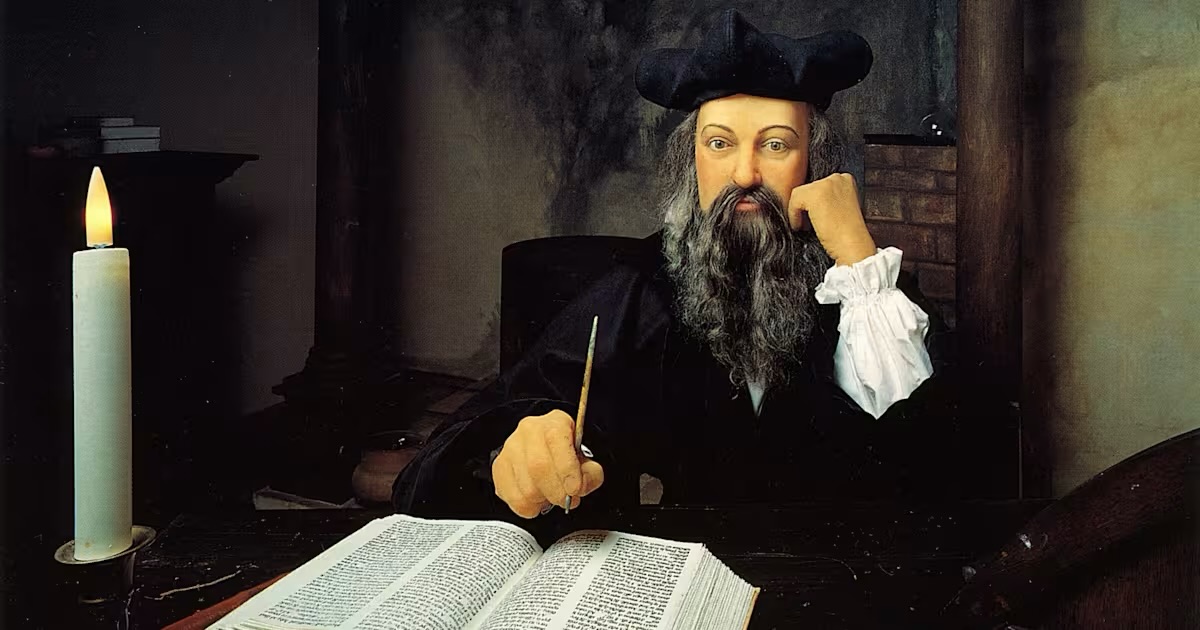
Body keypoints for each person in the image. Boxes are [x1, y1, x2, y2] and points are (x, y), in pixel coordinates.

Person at [392, 9, 970, 525]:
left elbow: (941, 466)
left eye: (775, 145)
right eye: (719, 144)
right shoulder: (642, 287)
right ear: (692, 162)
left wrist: (860, 260)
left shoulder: (870, 292)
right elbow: (465, 445)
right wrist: (530, 447)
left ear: (812, 162)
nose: (744, 174)